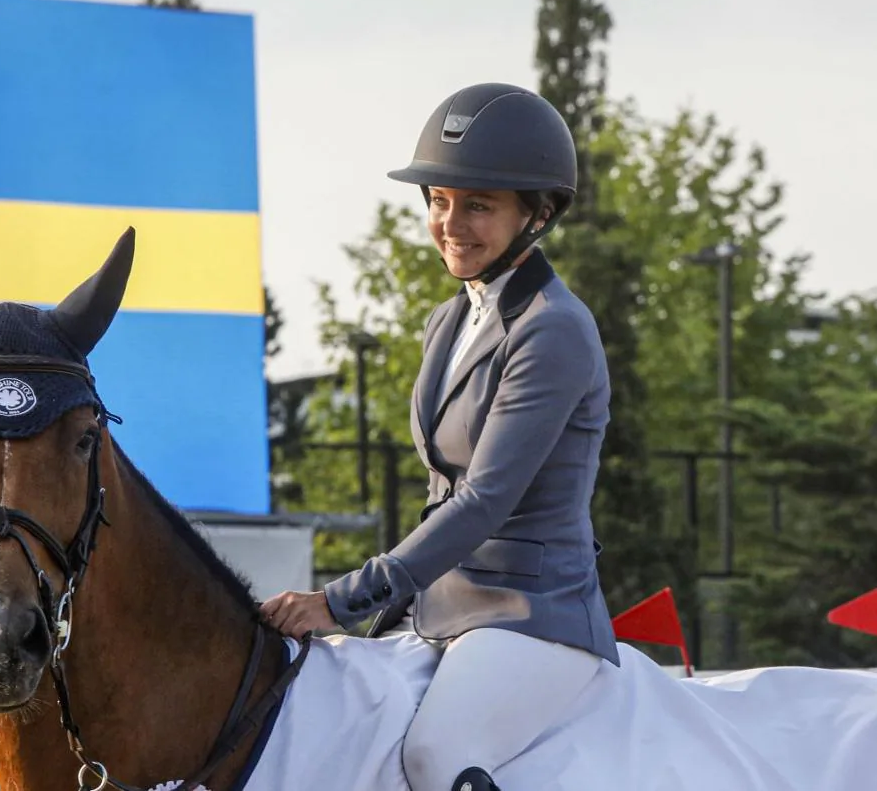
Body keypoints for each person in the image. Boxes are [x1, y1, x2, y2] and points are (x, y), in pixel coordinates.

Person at [259, 82, 620, 791]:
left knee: (435, 755)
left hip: (531, 619)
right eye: (439, 201)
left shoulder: (554, 328)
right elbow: (438, 491)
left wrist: (339, 601)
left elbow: (483, 499)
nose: (450, 223)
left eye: (478, 205)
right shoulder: (448, 321)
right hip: (437, 611)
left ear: (537, 213)